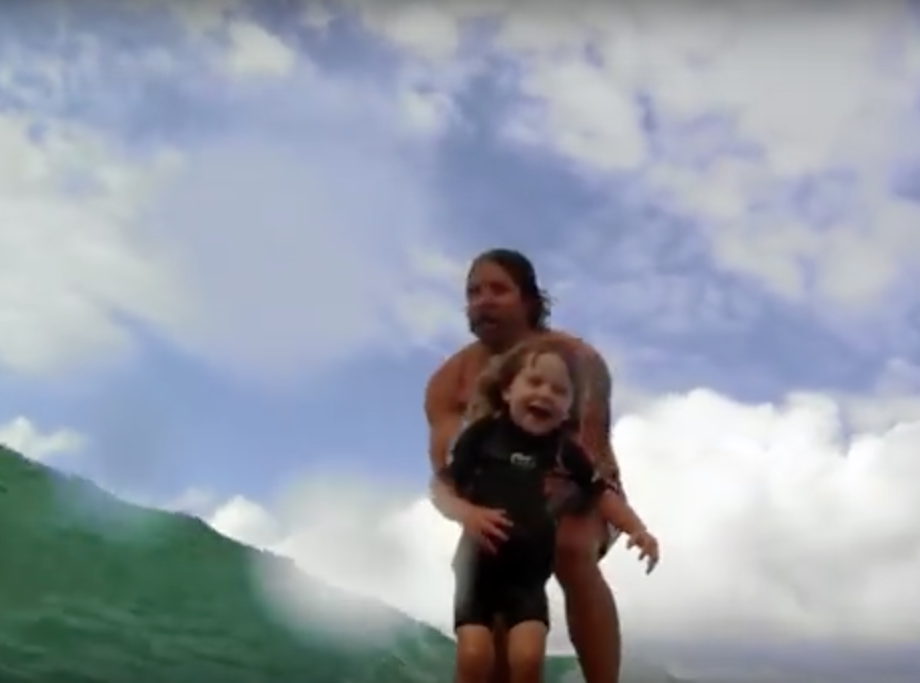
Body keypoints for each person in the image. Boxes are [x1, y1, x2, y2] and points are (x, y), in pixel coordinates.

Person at [424, 248, 630, 683]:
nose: (483, 300)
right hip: (500, 490)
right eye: (474, 292)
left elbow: (589, 452)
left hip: (580, 488)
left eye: (499, 290)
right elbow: (447, 467)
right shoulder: (449, 381)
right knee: (494, 609)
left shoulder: (576, 359)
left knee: (569, 548)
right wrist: (471, 512)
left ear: (530, 301)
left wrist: (550, 506)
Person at [431, 339, 659, 683]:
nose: (546, 394)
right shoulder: (482, 437)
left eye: (559, 390)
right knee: (474, 657)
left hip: (528, 574)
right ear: (507, 390)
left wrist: (637, 528)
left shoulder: (564, 451)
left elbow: (601, 494)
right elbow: (442, 489)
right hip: (478, 569)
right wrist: (467, 513)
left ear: (568, 409)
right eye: (535, 382)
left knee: (528, 658)